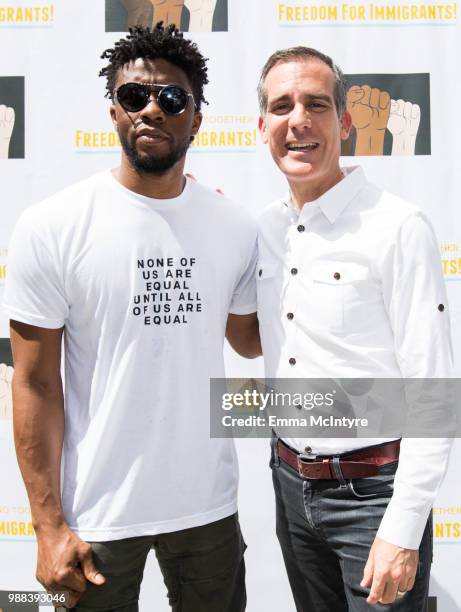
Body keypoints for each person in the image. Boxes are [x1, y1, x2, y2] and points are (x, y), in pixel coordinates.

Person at [3, 24, 260, 612]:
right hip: (96, 515)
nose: (152, 110)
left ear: (196, 118)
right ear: (113, 111)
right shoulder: (53, 226)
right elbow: (34, 383)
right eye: (134, 96)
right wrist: (47, 526)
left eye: (172, 99)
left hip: (209, 509)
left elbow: (253, 341)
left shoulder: (235, 227)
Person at [255, 46, 453, 611]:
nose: (299, 120)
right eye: (282, 105)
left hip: (375, 498)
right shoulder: (265, 229)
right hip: (289, 485)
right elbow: (245, 329)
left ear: (344, 122)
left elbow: (433, 392)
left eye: (317, 104)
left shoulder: (398, 227)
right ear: (262, 125)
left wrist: (404, 526)